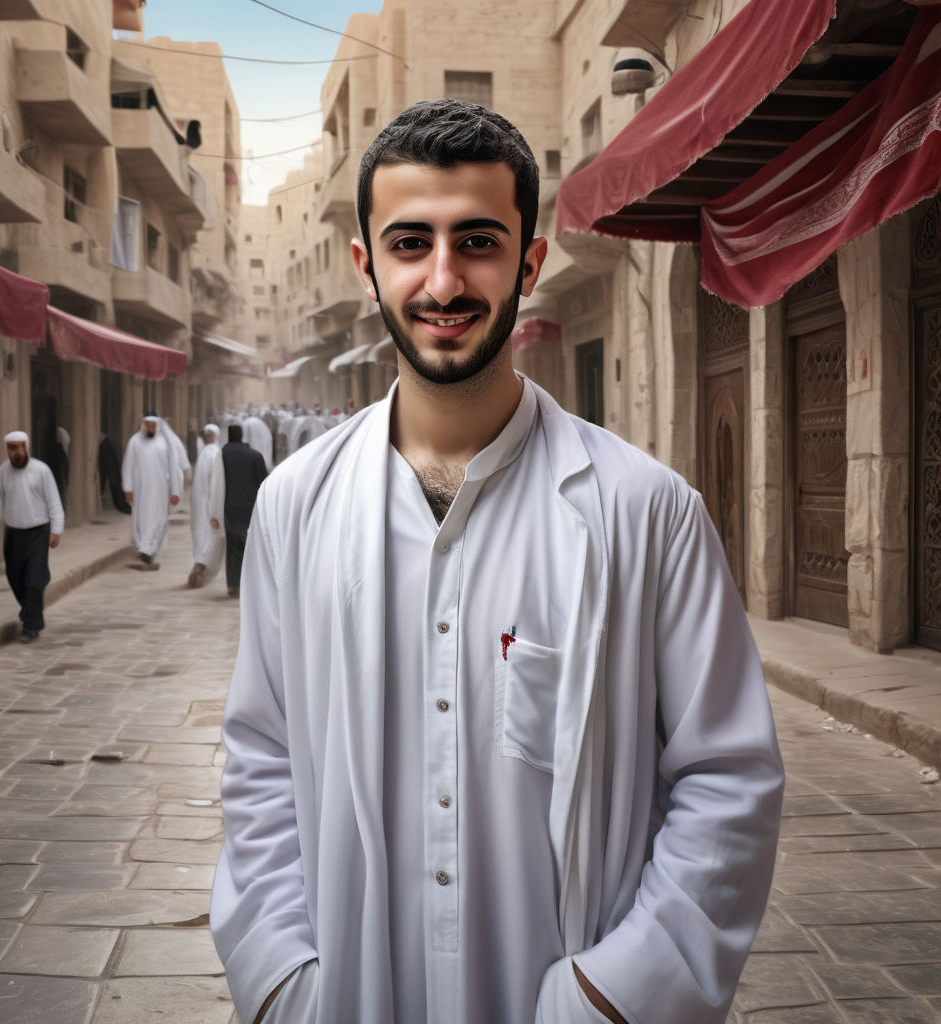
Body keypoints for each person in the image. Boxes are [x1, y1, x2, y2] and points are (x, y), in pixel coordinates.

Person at [210, 99, 784, 1024]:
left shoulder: (647, 512)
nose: (443, 281)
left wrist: (616, 994)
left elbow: (728, 778)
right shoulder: (295, 506)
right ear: (367, 266)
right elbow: (262, 755)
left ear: (530, 258)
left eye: (477, 241)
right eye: (409, 244)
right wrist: (282, 974)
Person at [0, 430, 64, 643]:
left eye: (19, 448)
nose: (16, 453)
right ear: (7, 451)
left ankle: (31, 625)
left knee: (34, 579)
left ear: (26, 447)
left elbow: (54, 501)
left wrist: (56, 530)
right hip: (13, 534)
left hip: (38, 532)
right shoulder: (2, 473)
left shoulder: (41, 471)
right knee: (15, 577)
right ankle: (31, 612)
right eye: (12, 449)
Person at [207, 423, 267, 598]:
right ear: (241, 436)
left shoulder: (223, 456)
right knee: (250, 546)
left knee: (233, 547)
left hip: (230, 507)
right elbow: (264, 484)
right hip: (250, 507)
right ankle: (250, 585)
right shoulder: (255, 456)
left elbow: (216, 482)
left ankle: (234, 585)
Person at [121, 412, 181, 570]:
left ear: (157, 426)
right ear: (143, 425)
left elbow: (173, 468)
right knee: (141, 520)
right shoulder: (134, 441)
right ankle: (145, 552)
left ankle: (146, 553)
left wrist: (175, 491)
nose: (150, 427)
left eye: (153, 425)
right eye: (148, 424)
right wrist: (128, 488)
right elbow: (128, 465)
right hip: (141, 491)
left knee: (157, 521)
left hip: (160, 491)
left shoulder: (165, 443)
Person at [187, 424, 225, 589]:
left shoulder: (210, 452)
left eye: (210, 434)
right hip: (206, 502)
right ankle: (201, 566)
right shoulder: (213, 453)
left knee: (206, 533)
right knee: (206, 534)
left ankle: (200, 566)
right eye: (207, 434)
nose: (208, 437)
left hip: (205, 502)